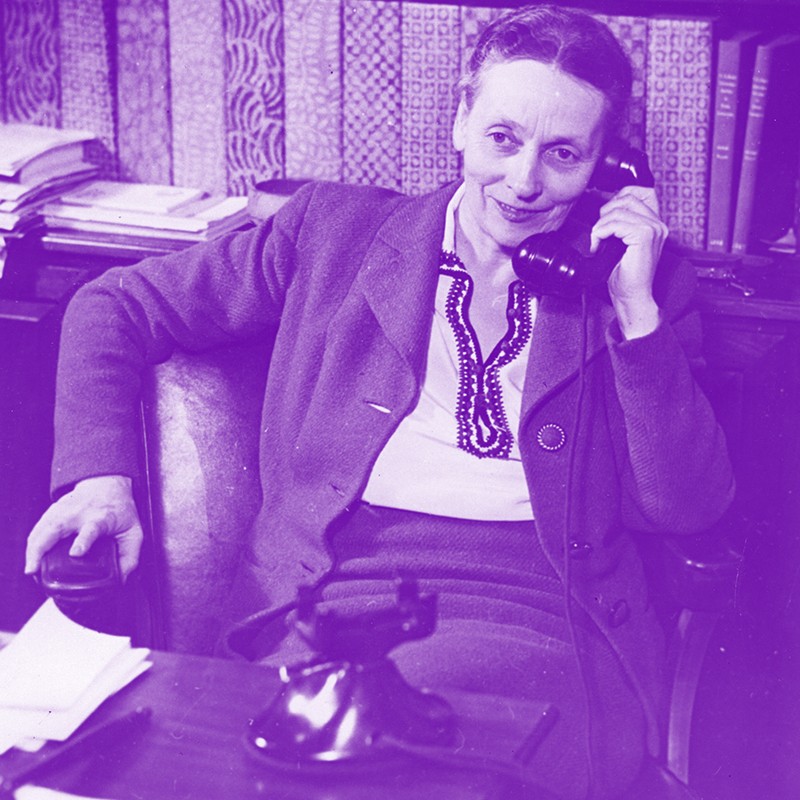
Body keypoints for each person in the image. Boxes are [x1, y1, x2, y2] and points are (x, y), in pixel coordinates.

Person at [25, 5, 733, 798]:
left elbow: (685, 507)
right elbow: (114, 305)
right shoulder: (335, 232)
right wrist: (97, 476)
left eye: (564, 154)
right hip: (334, 608)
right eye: (503, 138)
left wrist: (634, 314)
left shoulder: (640, 285)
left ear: (606, 168)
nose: (525, 182)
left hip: (551, 627)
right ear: (461, 122)